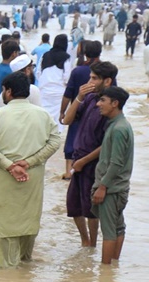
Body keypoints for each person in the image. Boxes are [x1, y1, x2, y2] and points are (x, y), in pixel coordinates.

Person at [0, 72, 62, 268]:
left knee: (4, 228)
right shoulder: (42, 115)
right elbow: (55, 141)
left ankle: (9, 278)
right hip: (31, 179)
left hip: (2, 180)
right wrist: (29, 162)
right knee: (27, 223)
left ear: (8, 91)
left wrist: (9, 166)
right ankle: (25, 272)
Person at [63, 61, 117, 247]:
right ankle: (85, 241)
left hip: (94, 163)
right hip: (79, 160)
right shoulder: (89, 99)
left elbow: (107, 144)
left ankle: (92, 244)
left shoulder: (111, 106)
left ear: (107, 81)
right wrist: (78, 96)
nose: (90, 81)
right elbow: (67, 120)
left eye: (94, 78)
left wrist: (84, 161)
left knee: (91, 208)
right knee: (74, 205)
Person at [91, 85, 132, 265]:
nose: (99, 104)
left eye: (103, 101)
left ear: (115, 103)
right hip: (118, 187)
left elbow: (116, 163)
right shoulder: (119, 125)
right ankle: (113, 268)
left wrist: (102, 186)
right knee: (117, 228)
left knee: (108, 231)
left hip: (111, 189)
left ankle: (105, 273)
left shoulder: (118, 129)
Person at [61, 41, 107, 179]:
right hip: (96, 113)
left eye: (94, 78)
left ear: (85, 53)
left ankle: (69, 172)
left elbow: (68, 94)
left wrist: (62, 111)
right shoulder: (106, 72)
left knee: (72, 140)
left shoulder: (78, 71)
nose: (91, 81)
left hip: (77, 110)